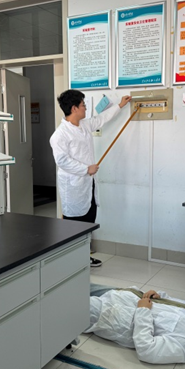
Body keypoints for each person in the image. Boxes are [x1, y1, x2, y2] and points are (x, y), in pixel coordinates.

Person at [50, 90, 132, 267]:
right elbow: (62, 161)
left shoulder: (84, 125)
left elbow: (101, 119)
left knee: (89, 221)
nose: (85, 108)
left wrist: (120, 105)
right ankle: (71, 260)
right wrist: (86, 169)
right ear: (74, 108)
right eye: (83, 105)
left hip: (88, 184)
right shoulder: (59, 135)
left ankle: (84, 257)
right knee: (74, 225)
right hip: (74, 186)